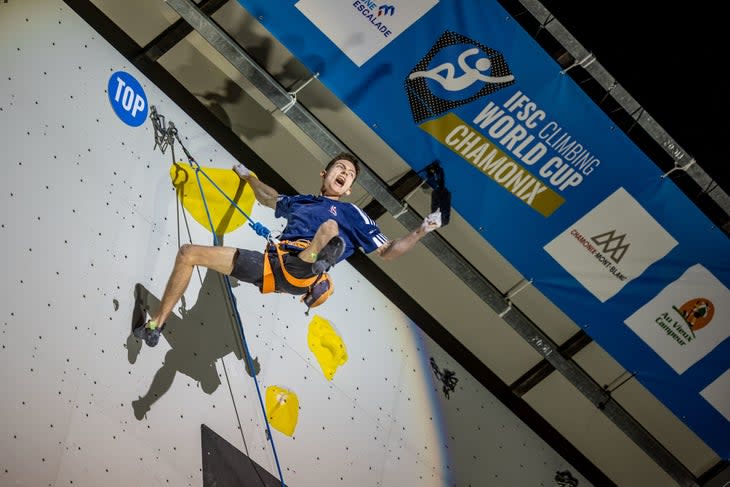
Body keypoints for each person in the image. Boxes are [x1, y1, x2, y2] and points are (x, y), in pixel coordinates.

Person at [134, 152, 442, 347]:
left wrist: (421, 230)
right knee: (188, 253)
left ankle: (320, 260)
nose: (345, 173)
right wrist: (249, 177)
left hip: (302, 270)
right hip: (270, 266)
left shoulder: (351, 214)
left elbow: (388, 251)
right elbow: (269, 198)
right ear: (326, 174)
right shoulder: (302, 202)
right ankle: (156, 325)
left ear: (348, 189)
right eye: (340, 167)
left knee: (330, 231)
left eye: (349, 174)